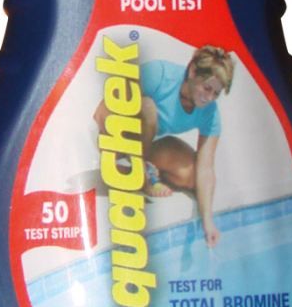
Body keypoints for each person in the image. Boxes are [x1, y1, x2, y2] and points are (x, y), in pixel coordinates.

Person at [94, 45, 234, 247]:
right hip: (114, 136)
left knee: (190, 176)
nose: (209, 98)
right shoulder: (159, 74)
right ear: (192, 71)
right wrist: (112, 149)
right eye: (206, 88)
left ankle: (134, 167)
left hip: (143, 145)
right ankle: (139, 176)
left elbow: (206, 168)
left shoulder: (210, 112)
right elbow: (102, 111)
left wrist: (208, 222)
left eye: (216, 93)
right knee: (148, 108)